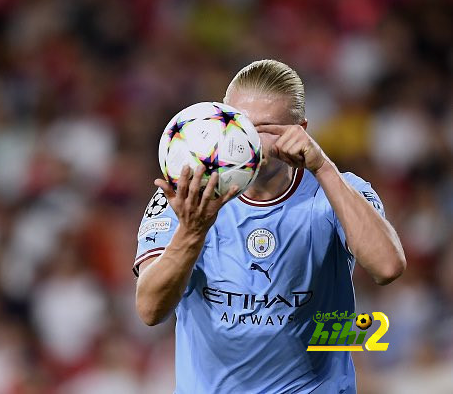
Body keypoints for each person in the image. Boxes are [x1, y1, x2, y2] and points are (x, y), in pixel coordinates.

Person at [133, 59, 406, 393]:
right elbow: (149, 309)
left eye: (263, 128)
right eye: (237, 122)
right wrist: (191, 233)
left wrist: (323, 168)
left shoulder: (338, 192)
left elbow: (387, 267)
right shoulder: (186, 198)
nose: (244, 140)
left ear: (300, 130)